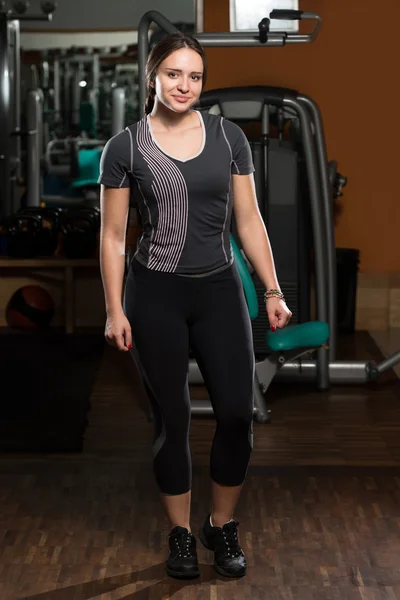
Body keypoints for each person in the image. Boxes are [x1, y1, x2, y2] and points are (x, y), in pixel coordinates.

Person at [98, 33, 292, 580]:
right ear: (152, 77)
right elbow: (113, 236)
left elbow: (248, 221)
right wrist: (115, 309)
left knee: (236, 413)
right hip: (154, 293)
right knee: (173, 418)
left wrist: (272, 289)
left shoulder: (229, 138)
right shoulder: (127, 147)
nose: (185, 86)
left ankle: (220, 525)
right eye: (174, 74)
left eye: (195, 76)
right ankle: (181, 534)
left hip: (218, 291)